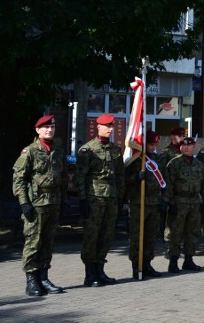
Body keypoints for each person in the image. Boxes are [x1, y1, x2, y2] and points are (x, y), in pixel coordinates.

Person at [13, 114, 67, 296]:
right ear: (38, 130)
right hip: (36, 205)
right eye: (45, 127)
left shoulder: (58, 150)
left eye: (52, 127)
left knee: (48, 242)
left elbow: (63, 177)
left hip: (53, 202)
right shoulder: (30, 151)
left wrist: (64, 199)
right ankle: (31, 280)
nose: (49, 130)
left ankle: (44, 277)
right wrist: (24, 204)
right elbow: (19, 180)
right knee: (33, 242)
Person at [75, 113, 125, 287]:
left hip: (111, 197)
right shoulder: (87, 149)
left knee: (107, 234)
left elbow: (120, 176)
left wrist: (121, 198)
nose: (110, 129)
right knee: (92, 235)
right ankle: (90, 274)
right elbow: (80, 176)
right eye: (107, 126)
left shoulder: (115, 149)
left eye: (112, 126)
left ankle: (100, 270)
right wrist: (82, 199)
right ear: (98, 127)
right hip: (94, 197)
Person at [164, 136, 204, 272]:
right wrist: (170, 202)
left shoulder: (198, 164)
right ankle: (173, 262)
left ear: (193, 147)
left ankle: (189, 260)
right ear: (180, 147)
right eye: (184, 145)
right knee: (176, 232)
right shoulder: (174, 163)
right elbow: (169, 185)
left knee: (193, 232)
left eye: (189, 145)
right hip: (179, 201)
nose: (186, 147)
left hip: (195, 201)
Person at [126, 130, 164, 279]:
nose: (153, 147)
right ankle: (137, 266)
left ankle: (147, 263)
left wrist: (163, 199)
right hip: (138, 203)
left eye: (155, 144)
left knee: (151, 236)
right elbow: (124, 178)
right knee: (137, 236)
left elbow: (163, 180)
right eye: (151, 144)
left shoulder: (157, 159)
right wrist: (135, 177)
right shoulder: (136, 159)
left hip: (154, 203)